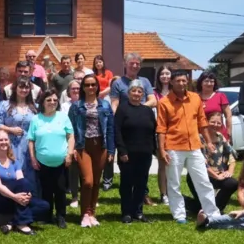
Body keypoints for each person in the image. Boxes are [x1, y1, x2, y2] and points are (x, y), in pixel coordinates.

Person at [157, 71, 219, 223]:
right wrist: (162, 149)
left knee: (203, 180)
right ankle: (179, 215)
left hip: (194, 146)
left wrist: (209, 142)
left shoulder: (195, 98)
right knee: (174, 183)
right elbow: (161, 128)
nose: (181, 83)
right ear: (171, 82)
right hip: (173, 146)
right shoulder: (164, 102)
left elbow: (202, 122)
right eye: (178, 81)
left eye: (184, 81)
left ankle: (213, 213)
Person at [69, 75, 115, 226]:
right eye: (87, 85)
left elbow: (110, 129)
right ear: (83, 87)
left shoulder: (105, 105)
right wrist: (73, 147)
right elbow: (71, 129)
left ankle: (92, 213)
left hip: (100, 145)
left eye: (93, 85)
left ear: (97, 86)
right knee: (87, 181)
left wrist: (111, 150)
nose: (90, 88)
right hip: (83, 146)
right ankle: (84, 214)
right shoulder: (76, 106)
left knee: (96, 181)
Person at [0, 130, 49, 235]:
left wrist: (26, 195)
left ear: (9, 142)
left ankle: (12, 222)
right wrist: (15, 197)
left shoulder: (14, 162)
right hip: (0, 197)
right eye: (0, 140)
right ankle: (22, 224)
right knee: (23, 189)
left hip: (16, 198)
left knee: (44, 206)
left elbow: (21, 181)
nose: (3, 142)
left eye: (6, 139)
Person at [28, 89, 74, 229]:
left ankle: (61, 217)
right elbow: (31, 140)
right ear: (43, 102)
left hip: (61, 162)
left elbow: (71, 136)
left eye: (55, 100)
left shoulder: (63, 117)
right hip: (42, 162)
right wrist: (33, 158)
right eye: (49, 100)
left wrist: (69, 154)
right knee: (46, 190)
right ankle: (47, 216)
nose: (52, 102)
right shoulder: (36, 119)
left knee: (60, 190)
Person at [113, 79, 157, 224]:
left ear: (143, 94)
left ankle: (138, 212)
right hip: (128, 154)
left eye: (140, 91)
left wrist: (154, 150)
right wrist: (122, 151)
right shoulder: (123, 109)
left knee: (141, 183)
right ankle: (126, 212)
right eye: (134, 91)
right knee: (127, 183)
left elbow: (153, 131)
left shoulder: (148, 111)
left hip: (145, 153)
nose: (137, 94)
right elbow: (117, 131)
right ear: (128, 93)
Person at [183, 112, 238, 215]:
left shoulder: (220, 136)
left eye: (219, 123)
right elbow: (201, 163)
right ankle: (183, 201)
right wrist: (216, 176)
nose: (216, 125)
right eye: (213, 122)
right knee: (203, 206)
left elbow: (232, 156)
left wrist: (229, 172)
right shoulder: (198, 138)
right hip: (199, 176)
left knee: (232, 183)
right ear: (206, 122)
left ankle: (215, 209)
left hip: (218, 174)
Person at [151, 65, 172, 203]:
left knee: (173, 164)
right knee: (162, 164)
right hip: (159, 132)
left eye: (167, 73)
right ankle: (163, 194)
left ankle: (172, 192)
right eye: (162, 74)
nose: (165, 76)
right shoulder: (153, 93)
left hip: (174, 132)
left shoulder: (176, 92)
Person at [61, 80, 82, 208]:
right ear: (68, 91)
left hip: (85, 140)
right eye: (73, 88)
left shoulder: (86, 103)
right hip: (70, 139)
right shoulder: (64, 106)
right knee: (73, 170)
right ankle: (74, 196)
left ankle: (88, 196)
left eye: (78, 88)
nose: (75, 90)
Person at [196, 72, 232, 141]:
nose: (209, 84)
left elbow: (228, 115)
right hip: (201, 135)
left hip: (218, 134)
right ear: (201, 82)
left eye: (212, 81)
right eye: (206, 81)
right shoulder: (195, 97)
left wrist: (229, 133)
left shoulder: (220, 96)